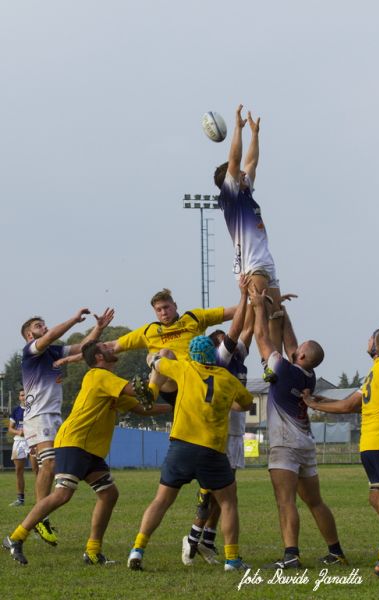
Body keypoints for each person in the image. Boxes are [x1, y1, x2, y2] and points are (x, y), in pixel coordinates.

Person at [2, 340, 171, 566]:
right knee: (62, 494)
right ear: (99, 357)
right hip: (75, 442)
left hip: (89, 448)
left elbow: (141, 408)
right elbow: (142, 392)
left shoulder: (110, 382)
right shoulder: (98, 376)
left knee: (109, 495)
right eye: (106, 348)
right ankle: (15, 538)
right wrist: (159, 367)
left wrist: (177, 405)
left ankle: (92, 552)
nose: (112, 348)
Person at [127, 335, 254, 572]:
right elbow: (246, 403)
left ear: (193, 355)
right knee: (228, 503)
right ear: (213, 355)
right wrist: (226, 402)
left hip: (181, 447)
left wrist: (153, 358)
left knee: (161, 500)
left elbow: (154, 361)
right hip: (211, 452)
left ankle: (137, 549)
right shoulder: (227, 378)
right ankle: (232, 560)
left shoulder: (183, 369)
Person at [250, 286, 346, 568]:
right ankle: (335, 551)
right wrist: (281, 309)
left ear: (301, 356)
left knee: (285, 501)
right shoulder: (308, 376)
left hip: (285, 444)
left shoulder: (281, 367)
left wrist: (258, 306)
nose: (296, 346)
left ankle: (291, 555)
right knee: (315, 502)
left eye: (300, 349)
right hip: (305, 443)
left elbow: (261, 337)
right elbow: (290, 338)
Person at [302, 327, 379, 577]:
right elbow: (351, 405)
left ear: (376, 345)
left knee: (377, 497)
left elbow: (351, 405)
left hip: (371, 447)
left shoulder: (375, 371)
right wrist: (317, 403)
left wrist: (317, 402)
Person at [20, 307, 114, 546]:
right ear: (30, 336)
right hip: (38, 416)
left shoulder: (53, 352)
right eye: (38, 326)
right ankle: (42, 518)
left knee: (52, 466)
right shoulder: (31, 352)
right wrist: (74, 319)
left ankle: (42, 515)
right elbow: (50, 337)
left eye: (44, 324)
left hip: (54, 417)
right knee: (50, 463)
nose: (45, 328)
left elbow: (84, 350)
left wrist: (99, 328)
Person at [181, 274, 254, 566]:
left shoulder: (238, 359)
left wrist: (263, 305)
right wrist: (244, 297)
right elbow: (237, 329)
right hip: (219, 435)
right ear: (216, 348)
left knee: (225, 490)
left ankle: (205, 539)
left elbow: (247, 329)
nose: (229, 340)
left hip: (234, 436)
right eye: (223, 339)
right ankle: (193, 536)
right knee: (214, 490)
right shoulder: (221, 359)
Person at [214, 104, 283, 354]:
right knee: (258, 315)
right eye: (240, 173)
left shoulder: (246, 192)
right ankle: (254, 361)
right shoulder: (231, 196)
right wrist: (237, 129)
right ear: (231, 180)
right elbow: (235, 160)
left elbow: (251, 161)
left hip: (265, 260)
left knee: (276, 314)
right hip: (251, 263)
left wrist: (255, 133)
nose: (245, 173)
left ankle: (276, 361)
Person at [108, 289, 237, 406]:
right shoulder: (149, 331)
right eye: (159, 310)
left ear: (175, 305)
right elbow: (113, 346)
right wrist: (96, 334)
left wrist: (254, 302)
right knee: (161, 354)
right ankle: (151, 392)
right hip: (169, 384)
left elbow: (230, 312)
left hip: (193, 378)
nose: (164, 313)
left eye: (166, 307)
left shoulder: (193, 318)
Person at [8, 390, 38, 507]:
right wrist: (18, 432)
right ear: (19, 397)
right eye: (22, 395)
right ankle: (20, 500)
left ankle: (39, 499)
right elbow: (10, 428)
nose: (24, 397)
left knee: (37, 470)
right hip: (19, 442)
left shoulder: (35, 409)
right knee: (18, 471)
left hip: (33, 442)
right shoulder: (16, 410)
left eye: (26, 394)